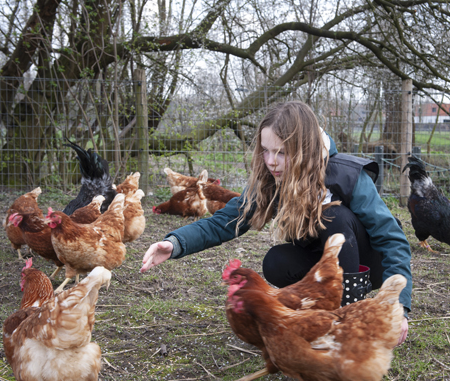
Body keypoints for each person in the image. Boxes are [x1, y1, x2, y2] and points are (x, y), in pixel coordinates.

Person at [141, 100, 412, 343]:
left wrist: (396, 306)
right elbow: (223, 221)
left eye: (281, 152)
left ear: (304, 147)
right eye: (265, 150)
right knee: (276, 262)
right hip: (323, 265)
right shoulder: (271, 180)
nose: (271, 161)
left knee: (334, 214)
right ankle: (320, 318)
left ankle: (349, 318)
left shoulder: (347, 175)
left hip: (367, 264)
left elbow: (391, 238)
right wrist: (175, 243)